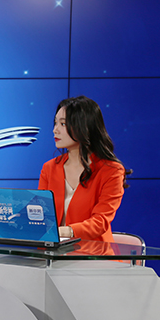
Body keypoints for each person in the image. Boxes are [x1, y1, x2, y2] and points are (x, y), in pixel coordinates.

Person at [38, 96, 130, 242]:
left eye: (63, 124)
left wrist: (65, 231)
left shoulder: (111, 171)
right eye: (55, 123)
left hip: (93, 252)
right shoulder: (49, 168)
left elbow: (100, 222)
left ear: (84, 126)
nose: (55, 130)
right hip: (52, 251)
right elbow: (40, 214)